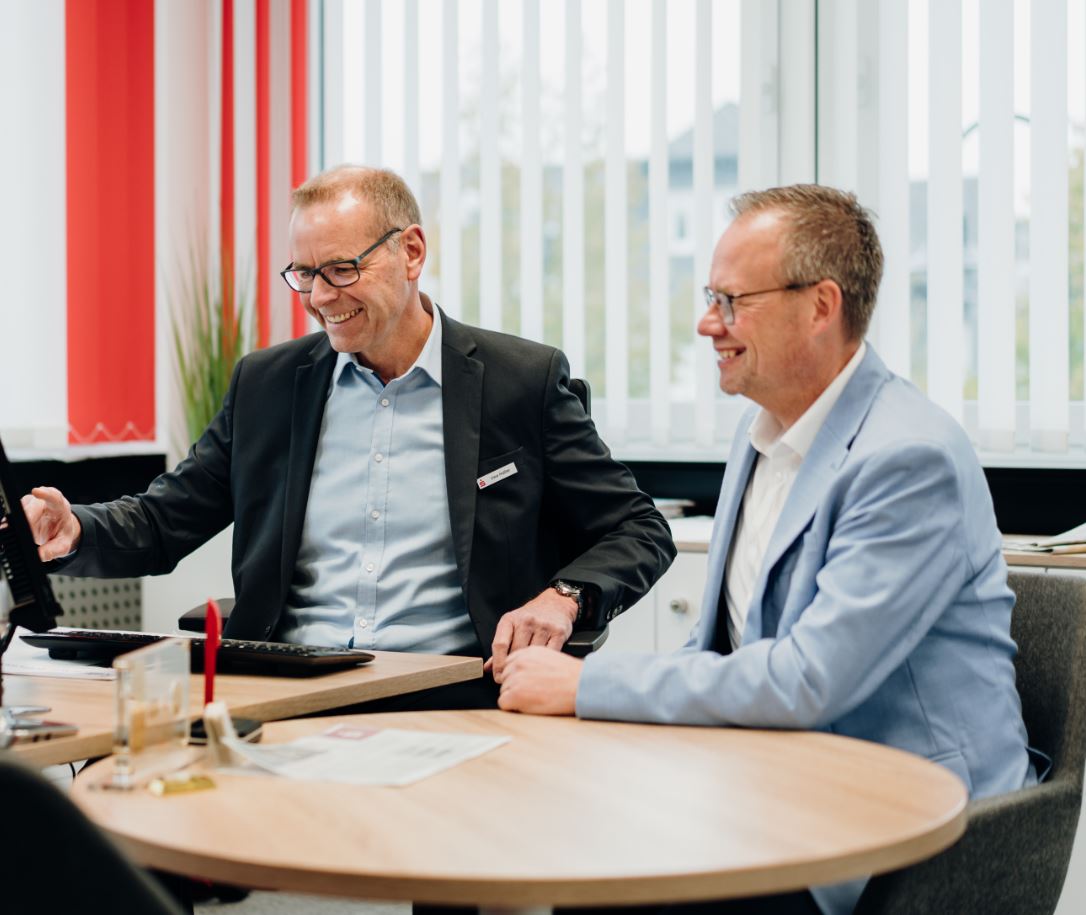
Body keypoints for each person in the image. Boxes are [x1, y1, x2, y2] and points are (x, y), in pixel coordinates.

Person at [497, 184, 1038, 914]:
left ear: (820, 306)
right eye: (710, 298)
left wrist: (584, 685)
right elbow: (718, 648)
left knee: (614, 893)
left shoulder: (908, 458)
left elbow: (808, 679)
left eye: (731, 301)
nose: (706, 323)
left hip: (906, 822)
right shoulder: (760, 434)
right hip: (779, 783)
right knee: (584, 851)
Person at [24, 165, 674, 705]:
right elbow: (165, 519)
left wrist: (565, 598)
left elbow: (638, 528)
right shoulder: (268, 385)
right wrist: (74, 528)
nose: (318, 297)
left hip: (454, 695)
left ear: (411, 252)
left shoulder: (520, 382)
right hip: (287, 695)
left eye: (340, 269)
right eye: (303, 273)